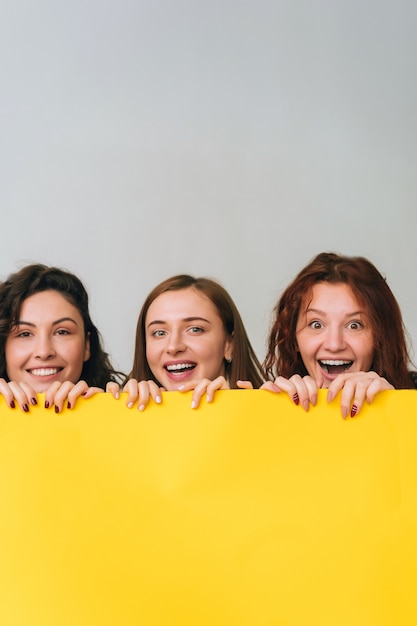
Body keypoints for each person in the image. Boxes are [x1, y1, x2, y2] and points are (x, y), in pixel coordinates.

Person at [262, 252, 417, 418]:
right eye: (316, 324)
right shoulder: (277, 406)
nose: (334, 345)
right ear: (294, 340)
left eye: (354, 325)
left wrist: (398, 409)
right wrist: (258, 415)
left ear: (380, 338)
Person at [111, 274, 263, 409]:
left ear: (230, 344)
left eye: (195, 329)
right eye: (159, 332)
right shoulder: (120, 419)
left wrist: (240, 414)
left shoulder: (268, 416)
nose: (173, 346)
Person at [0, 264, 123, 412]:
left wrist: (108, 414)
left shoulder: (116, 412)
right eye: (25, 334)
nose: (44, 352)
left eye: (62, 332)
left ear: (87, 345)